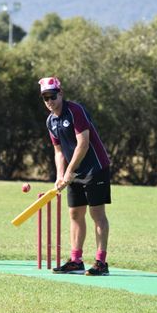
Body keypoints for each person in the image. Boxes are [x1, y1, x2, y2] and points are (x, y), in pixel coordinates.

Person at [38, 77, 111, 276]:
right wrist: (60, 175)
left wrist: (69, 171)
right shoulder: (50, 121)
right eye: (45, 98)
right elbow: (59, 152)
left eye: (52, 96)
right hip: (74, 170)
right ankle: (76, 260)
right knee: (75, 214)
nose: (49, 101)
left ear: (60, 94)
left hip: (95, 168)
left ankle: (100, 262)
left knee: (97, 214)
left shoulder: (75, 111)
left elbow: (83, 144)